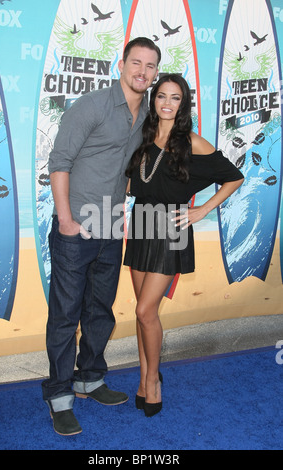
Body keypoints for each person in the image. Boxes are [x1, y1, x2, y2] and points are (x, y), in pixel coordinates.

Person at [41, 37, 161, 436]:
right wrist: (66, 221)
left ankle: (89, 378)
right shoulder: (92, 105)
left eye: (150, 67)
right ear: (121, 64)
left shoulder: (146, 114)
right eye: (136, 63)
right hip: (75, 229)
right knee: (65, 316)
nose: (142, 72)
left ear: (155, 73)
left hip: (110, 227)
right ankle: (59, 395)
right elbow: (59, 163)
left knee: (100, 310)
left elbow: (126, 167)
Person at [124, 74, 244, 417]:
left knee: (146, 311)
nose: (166, 103)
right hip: (142, 224)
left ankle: (153, 382)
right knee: (141, 312)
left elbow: (234, 177)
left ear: (183, 104)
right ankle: (147, 375)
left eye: (174, 98)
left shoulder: (192, 142)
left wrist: (202, 210)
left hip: (171, 229)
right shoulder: (142, 137)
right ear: (154, 100)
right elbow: (134, 184)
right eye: (161, 96)